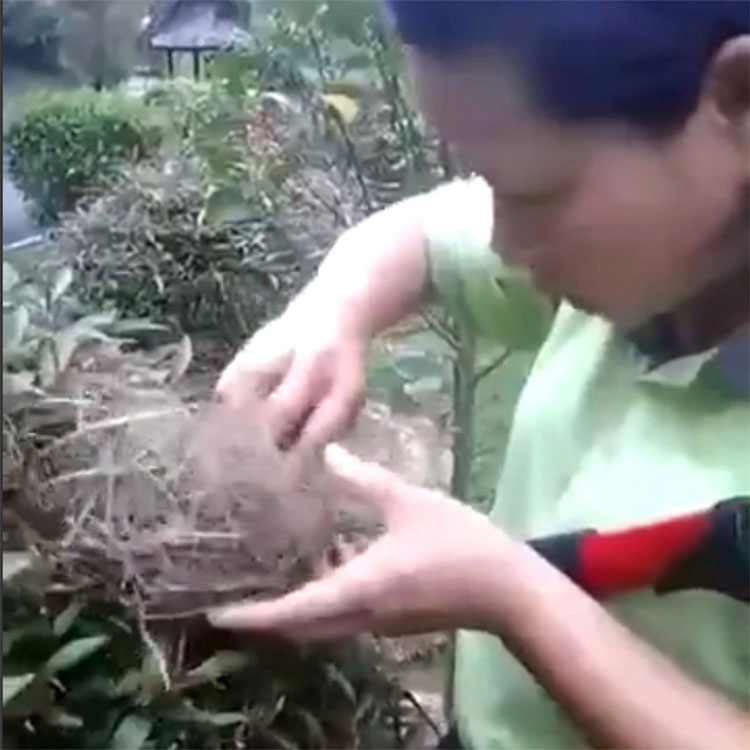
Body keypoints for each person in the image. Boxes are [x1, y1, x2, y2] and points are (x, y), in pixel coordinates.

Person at [210, 2, 750, 747]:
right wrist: (328, 315)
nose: (502, 240)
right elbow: (422, 234)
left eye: (535, 194)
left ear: (740, 100)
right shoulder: (660, 255)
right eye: (485, 179)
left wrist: (509, 596)